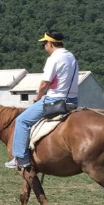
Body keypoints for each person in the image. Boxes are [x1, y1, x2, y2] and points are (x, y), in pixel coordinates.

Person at [6, 30, 79, 170]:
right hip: (73, 101)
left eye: (45, 43)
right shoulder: (71, 57)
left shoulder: (54, 58)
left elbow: (44, 83)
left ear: (50, 44)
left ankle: (20, 159)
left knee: (21, 121)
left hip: (56, 100)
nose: (44, 46)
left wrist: (37, 97)